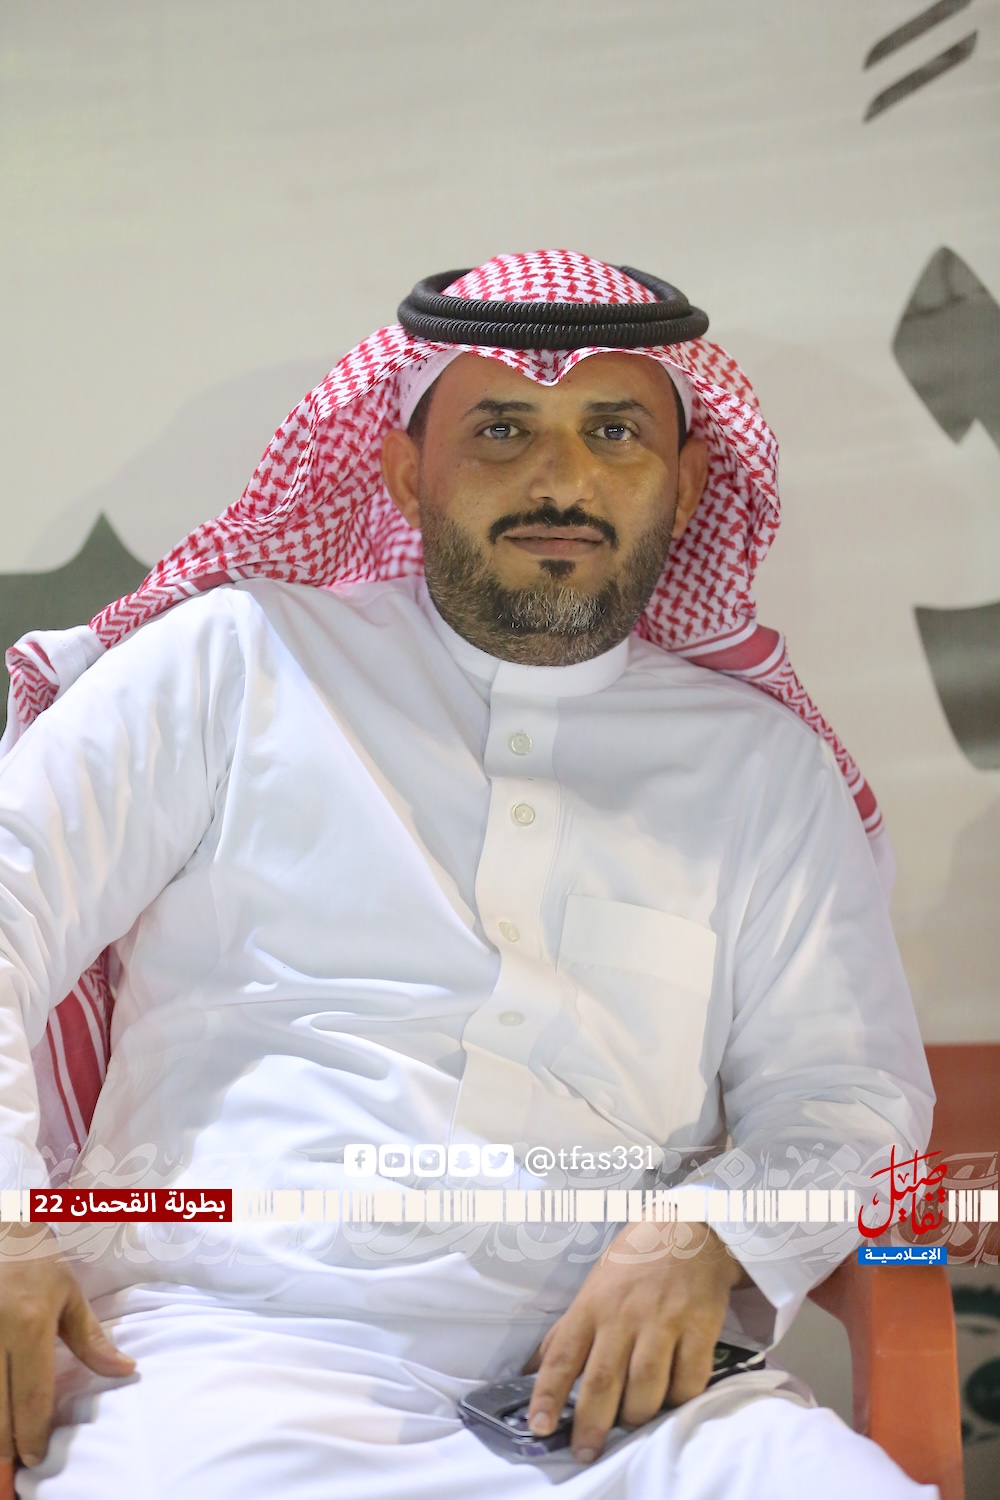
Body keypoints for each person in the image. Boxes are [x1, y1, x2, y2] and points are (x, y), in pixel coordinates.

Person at [0, 251, 936, 1498]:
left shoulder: (762, 768)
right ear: (404, 470)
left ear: (687, 483)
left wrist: (709, 1232)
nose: (562, 479)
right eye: (501, 429)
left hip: (624, 1388)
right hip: (226, 1350)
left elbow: (848, 1098)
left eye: (615, 432)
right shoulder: (236, 663)